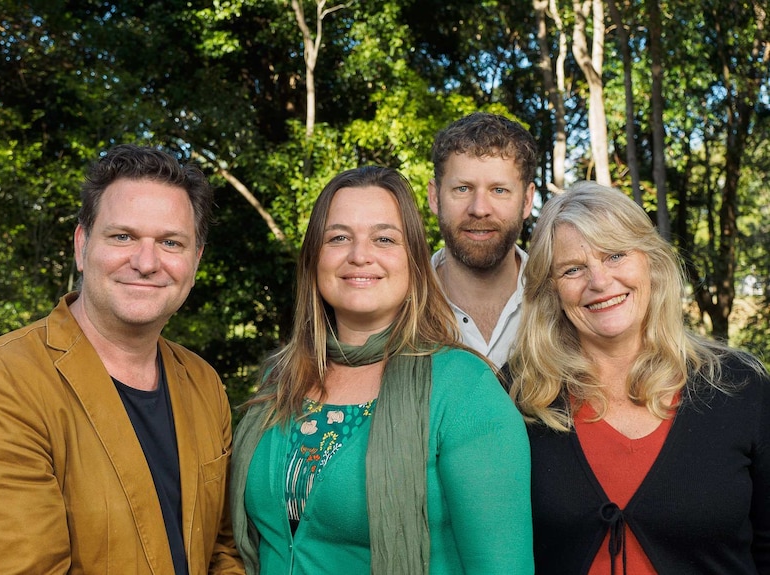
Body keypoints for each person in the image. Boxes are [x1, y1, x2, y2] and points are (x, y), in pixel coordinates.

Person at [0, 145, 244, 574]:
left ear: (195, 261)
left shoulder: (203, 382)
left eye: (171, 242)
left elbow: (222, 551)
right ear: (82, 245)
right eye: (122, 236)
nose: (146, 262)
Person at [229, 165, 534, 574]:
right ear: (314, 258)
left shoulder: (465, 390)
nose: (359, 255)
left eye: (384, 238)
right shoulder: (278, 381)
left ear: (413, 260)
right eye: (338, 237)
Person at [507, 181, 770, 574]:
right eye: (573, 269)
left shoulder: (740, 386)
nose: (599, 281)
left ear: (651, 261)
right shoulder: (518, 397)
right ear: (551, 290)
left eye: (615, 255)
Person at [427, 112, 537, 368]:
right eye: (462, 188)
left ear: (527, 200)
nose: (479, 209)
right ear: (435, 197)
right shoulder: (402, 304)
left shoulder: (561, 299)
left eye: (499, 190)